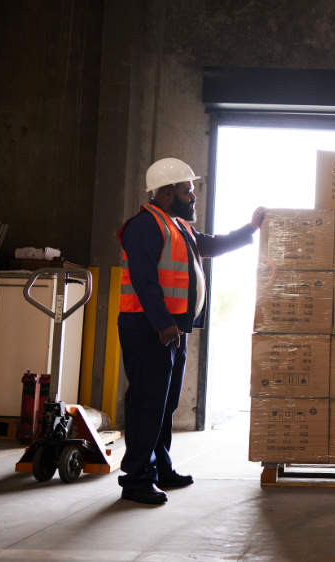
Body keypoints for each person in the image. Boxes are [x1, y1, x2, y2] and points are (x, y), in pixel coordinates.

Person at [116, 157, 265, 505]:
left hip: (170, 330)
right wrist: (163, 323)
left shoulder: (177, 225)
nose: (193, 196)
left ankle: (160, 468)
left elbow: (211, 245)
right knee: (146, 404)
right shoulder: (144, 225)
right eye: (188, 190)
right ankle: (136, 478)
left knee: (164, 405)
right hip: (148, 329)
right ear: (167, 193)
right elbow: (143, 279)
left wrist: (251, 229)